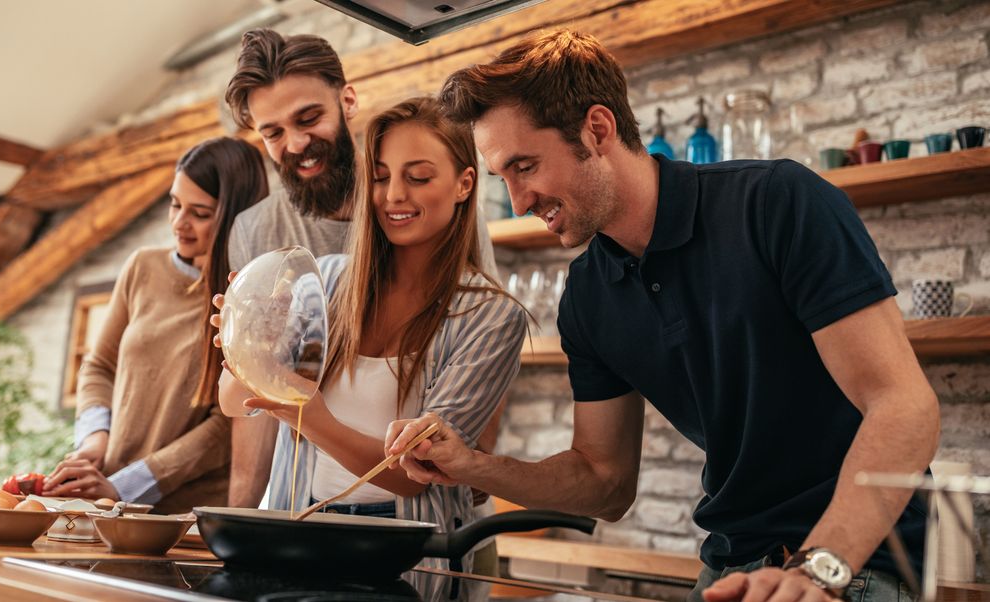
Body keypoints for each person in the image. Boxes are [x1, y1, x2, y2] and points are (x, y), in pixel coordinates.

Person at [386, 30, 938, 602]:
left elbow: (905, 406)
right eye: (504, 176)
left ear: (597, 130)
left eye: (524, 166)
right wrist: (472, 464)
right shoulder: (588, 295)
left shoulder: (777, 202)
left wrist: (814, 569)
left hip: (855, 558)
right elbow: (605, 482)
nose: (519, 200)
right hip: (732, 561)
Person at [214, 96, 526, 573]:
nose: (393, 195)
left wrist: (310, 418)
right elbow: (235, 401)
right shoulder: (327, 279)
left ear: (465, 184)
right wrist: (249, 344)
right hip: (298, 535)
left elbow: (418, 474)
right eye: (380, 177)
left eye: (418, 177)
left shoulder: (491, 316)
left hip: (405, 560)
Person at [219, 29, 500, 510]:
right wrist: (237, 521)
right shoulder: (256, 231)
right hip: (309, 502)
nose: (297, 142)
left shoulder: (429, 214)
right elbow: (251, 408)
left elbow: (480, 353)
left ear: (347, 100)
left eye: (309, 118)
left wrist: (475, 473)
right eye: (273, 132)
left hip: (431, 504)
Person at [42, 137, 269, 514]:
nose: (179, 223)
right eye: (175, 204)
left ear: (236, 216)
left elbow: (224, 426)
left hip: (182, 520)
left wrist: (126, 487)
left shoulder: (248, 298)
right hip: (105, 499)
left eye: (199, 213)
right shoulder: (142, 267)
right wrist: (94, 443)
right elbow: (99, 367)